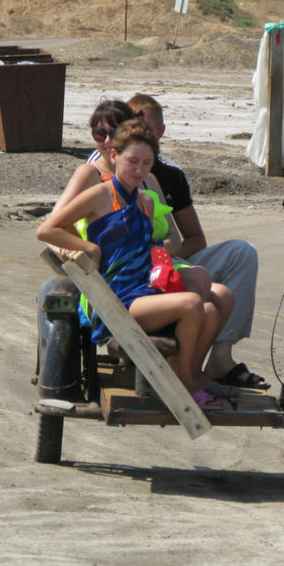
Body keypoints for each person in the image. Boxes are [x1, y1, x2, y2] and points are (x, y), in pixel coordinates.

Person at [37, 119, 230, 409]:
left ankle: (187, 374)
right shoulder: (100, 195)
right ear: (114, 156)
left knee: (215, 305)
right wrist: (89, 246)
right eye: (132, 161)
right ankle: (184, 385)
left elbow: (147, 248)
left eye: (147, 163)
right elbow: (47, 230)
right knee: (191, 304)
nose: (139, 170)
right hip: (118, 299)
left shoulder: (145, 202)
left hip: (145, 288)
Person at [124, 93, 268, 390]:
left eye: (146, 128)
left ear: (160, 133)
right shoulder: (109, 166)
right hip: (129, 270)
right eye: (130, 125)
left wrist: (164, 258)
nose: (138, 134)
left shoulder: (167, 174)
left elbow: (194, 239)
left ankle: (220, 358)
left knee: (242, 253)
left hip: (167, 259)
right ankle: (184, 374)